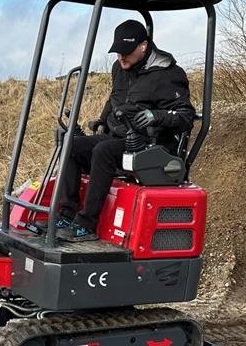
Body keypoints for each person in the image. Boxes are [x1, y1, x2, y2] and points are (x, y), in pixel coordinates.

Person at [55, 19, 196, 242]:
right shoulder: (119, 69)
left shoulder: (168, 73)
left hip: (151, 145)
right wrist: (102, 121)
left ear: (143, 46)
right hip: (119, 136)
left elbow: (186, 116)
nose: (121, 57)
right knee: (69, 145)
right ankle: (66, 214)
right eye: (118, 52)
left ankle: (86, 225)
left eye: (127, 52)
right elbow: (115, 99)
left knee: (104, 151)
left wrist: (155, 116)